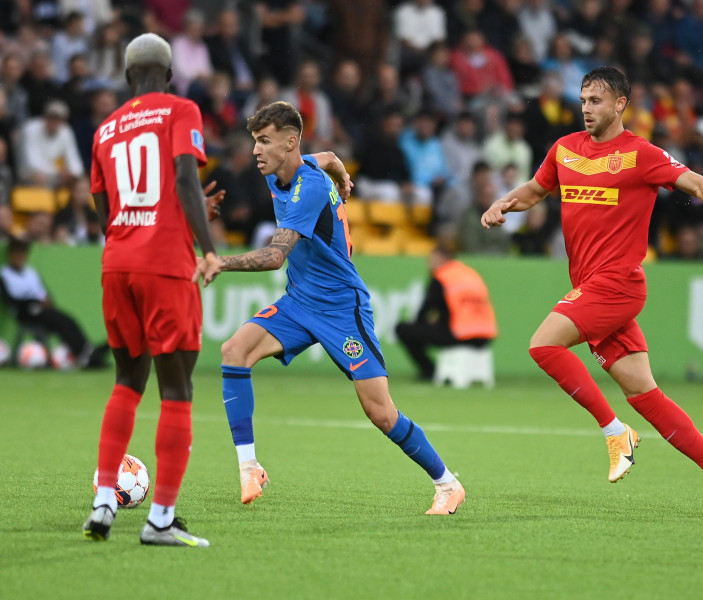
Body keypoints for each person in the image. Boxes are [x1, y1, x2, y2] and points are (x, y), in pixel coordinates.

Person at [481, 66, 703, 517]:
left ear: (621, 104)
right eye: (583, 100)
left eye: (596, 101)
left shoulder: (640, 155)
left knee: (543, 345)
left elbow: (694, 180)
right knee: (646, 395)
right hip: (589, 286)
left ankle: (614, 432)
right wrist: (502, 202)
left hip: (618, 284)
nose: (586, 109)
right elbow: (534, 190)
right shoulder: (564, 149)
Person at [199, 101, 465, 515]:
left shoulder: (308, 187)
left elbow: (274, 257)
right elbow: (328, 157)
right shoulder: (284, 165)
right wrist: (342, 173)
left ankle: (447, 484)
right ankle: (249, 467)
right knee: (234, 350)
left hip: (342, 307)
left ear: (289, 143)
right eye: (255, 142)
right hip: (300, 300)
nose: (255, 151)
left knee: (380, 412)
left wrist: (221, 261)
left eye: (263, 142)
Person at [83, 33, 223, 547]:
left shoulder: (104, 129)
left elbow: (107, 217)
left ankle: (103, 501)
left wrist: (172, 219)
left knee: (126, 381)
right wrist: (205, 246)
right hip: (165, 266)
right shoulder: (180, 109)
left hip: (117, 265)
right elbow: (186, 177)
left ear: (127, 78)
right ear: (168, 75)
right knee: (178, 390)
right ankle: (159, 519)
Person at [0, 236, 109, 368]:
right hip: (25, 311)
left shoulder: (31, 273)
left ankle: (86, 350)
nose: (19, 256)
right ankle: (82, 355)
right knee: (55, 318)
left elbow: (44, 293)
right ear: (10, 254)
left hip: (40, 309)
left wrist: (46, 300)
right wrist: (32, 303)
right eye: (16, 252)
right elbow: (11, 300)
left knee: (66, 319)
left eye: (22, 252)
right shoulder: (4, 274)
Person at [395, 245, 497, 382]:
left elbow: (425, 310)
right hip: (485, 336)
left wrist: (424, 324)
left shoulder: (442, 276)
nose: (429, 265)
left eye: (431, 260)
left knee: (403, 329)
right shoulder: (471, 273)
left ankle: (430, 371)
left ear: (442, 259)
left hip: (460, 335)